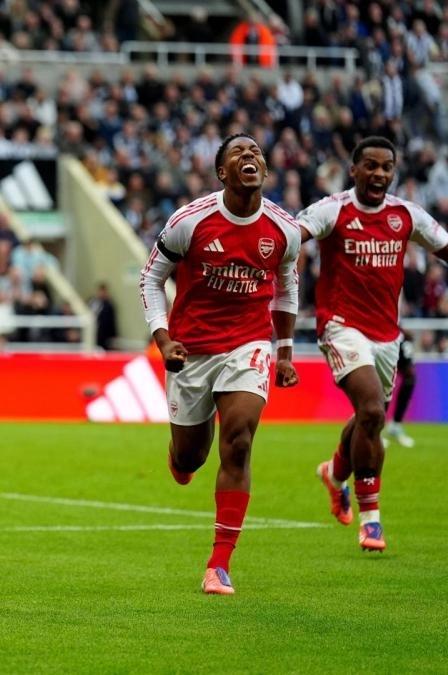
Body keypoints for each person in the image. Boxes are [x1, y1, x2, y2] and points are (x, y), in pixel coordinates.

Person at [139, 133, 302, 595]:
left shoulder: (284, 230)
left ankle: (219, 564)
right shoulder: (190, 221)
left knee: (240, 441)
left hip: (248, 346)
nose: (249, 156)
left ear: (265, 170)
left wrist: (284, 351)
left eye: (255, 151)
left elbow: (287, 288)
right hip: (190, 351)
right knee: (193, 455)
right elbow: (151, 279)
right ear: (222, 173)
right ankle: (179, 456)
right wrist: (163, 338)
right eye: (238, 153)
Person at [297, 136, 448, 553]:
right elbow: (293, 235)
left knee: (370, 418)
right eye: (371, 166)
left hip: (386, 335)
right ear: (354, 170)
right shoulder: (334, 210)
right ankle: (372, 520)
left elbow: (443, 244)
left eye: (387, 167)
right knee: (370, 410)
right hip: (341, 326)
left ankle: (334, 474)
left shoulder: (405, 215)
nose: (379, 173)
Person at [382, 330, 416, 448]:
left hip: (393, 334)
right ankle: (372, 432)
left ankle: (395, 425)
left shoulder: (403, 336)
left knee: (410, 379)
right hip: (380, 337)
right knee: (377, 384)